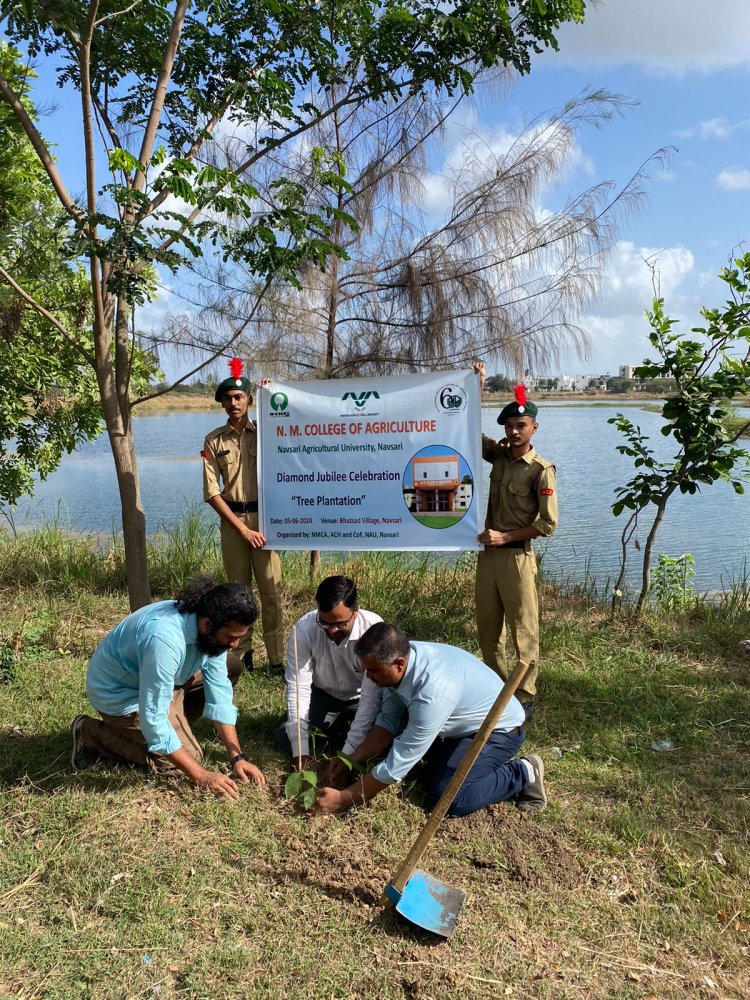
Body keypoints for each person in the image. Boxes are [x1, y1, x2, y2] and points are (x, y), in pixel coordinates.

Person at [313, 622, 546, 818]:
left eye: (373, 671)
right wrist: (350, 758)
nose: (369, 677)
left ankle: (524, 772)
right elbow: (387, 723)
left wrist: (343, 799)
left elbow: (397, 765)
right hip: (459, 724)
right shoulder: (400, 663)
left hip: (498, 730)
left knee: (448, 798)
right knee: (425, 778)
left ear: (399, 664)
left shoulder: (432, 692)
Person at [70, 576, 266, 800]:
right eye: (231, 637)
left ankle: (174, 722)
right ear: (207, 624)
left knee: (231, 665)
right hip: (120, 695)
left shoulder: (207, 623)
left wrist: (236, 757)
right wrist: (200, 775)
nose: (235, 644)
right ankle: (90, 733)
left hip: (157, 679)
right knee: (183, 759)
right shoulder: (164, 639)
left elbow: (219, 692)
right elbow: (153, 719)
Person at [473, 363, 557, 719]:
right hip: (487, 558)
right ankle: (498, 690)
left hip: (517, 559)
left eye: (521, 425)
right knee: (487, 629)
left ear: (533, 428)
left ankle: (524, 697)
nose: (514, 430)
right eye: (508, 425)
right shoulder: (499, 457)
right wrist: (473, 389)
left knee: (524, 630)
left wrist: (505, 535)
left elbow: (548, 524)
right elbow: (467, 433)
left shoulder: (541, 470)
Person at [202, 358, 284, 674]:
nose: (233, 403)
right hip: (234, 524)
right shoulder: (213, 440)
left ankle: (276, 659)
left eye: (239, 397)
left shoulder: (266, 431)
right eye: (228, 398)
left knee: (271, 592)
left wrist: (270, 393)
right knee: (238, 595)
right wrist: (242, 530)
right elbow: (211, 492)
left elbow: (292, 429)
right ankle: (243, 658)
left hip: (266, 523)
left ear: (248, 399)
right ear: (222, 403)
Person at [276, 575, 383, 771]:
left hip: (361, 698)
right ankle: (337, 728)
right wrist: (301, 752)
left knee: (379, 741)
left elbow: (370, 699)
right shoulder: (304, 629)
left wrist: (347, 756)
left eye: (340, 624)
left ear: (356, 611)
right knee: (286, 738)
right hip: (324, 694)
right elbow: (298, 687)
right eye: (325, 624)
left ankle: (342, 732)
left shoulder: (373, 629)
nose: (332, 631)